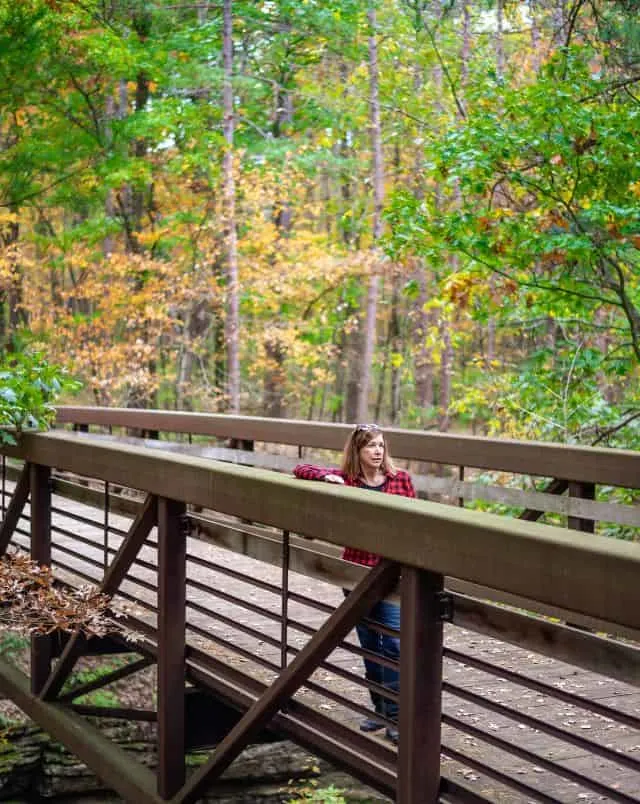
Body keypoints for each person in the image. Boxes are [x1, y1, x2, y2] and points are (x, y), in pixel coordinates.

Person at [293, 423, 416, 745]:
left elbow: (417, 521)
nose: (378, 451)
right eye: (371, 446)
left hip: (392, 575)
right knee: (370, 644)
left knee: (392, 644)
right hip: (356, 573)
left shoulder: (400, 480)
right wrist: (324, 478)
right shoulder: (347, 481)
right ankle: (378, 711)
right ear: (358, 452)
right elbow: (300, 468)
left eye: (381, 445)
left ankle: (395, 717)